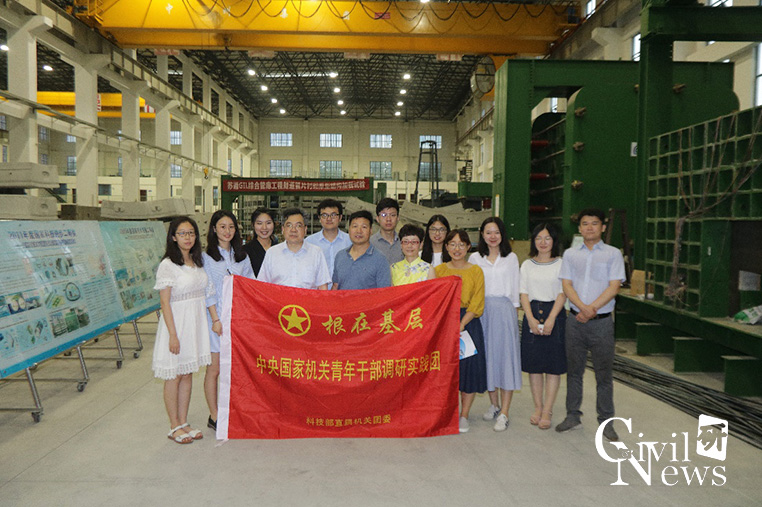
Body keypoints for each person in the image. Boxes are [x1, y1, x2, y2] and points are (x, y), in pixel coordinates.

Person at [555, 208, 625, 442]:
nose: (590, 228)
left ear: (603, 227)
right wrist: (582, 309)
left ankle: (606, 422)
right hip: (575, 322)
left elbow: (614, 287)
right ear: (579, 228)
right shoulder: (571, 254)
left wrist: (591, 309)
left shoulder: (613, 254)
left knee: (604, 375)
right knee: (574, 372)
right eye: (585, 224)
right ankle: (572, 415)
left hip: (601, 324)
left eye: (594, 223)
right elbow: (566, 285)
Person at [152, 216, 219, 444]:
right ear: (173, 237)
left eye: (191, 233)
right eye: (182, 233)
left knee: (188, 372)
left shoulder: (197, 262)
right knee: (175, 374)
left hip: (195, 324)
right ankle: (174, 426)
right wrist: (173, 334)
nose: (188, 237)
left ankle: (183, 422)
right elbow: (164, 302)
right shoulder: (168, 265)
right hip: (177, 325)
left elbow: (207, 293)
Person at [202, 210, 255, 432]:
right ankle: (214, 414)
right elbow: (207, 290)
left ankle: (233, 409)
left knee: (235, 368)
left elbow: (252, 285)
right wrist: (216, 319)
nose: (227, 231)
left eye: (231, 227)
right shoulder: (206, 257)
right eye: (222, 227)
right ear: (214, 229)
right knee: (214, 369)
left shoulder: (241, 256)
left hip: (238, 320)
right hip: (216, 320)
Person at [469, 217, 521, 432]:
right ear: (482, 234)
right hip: (482, 312)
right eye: (488, 232)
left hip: (505, 311)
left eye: (496, 232)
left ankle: (505, 412)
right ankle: (495, 405)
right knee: (488, 358)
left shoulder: (511, 258)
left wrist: (515, 317)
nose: (492, 236)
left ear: (502, 234)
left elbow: (515, 289)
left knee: (506, 359)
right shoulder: (474, 258)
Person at [435, 230, 487, 434]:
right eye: (452, 244)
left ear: (468, 247)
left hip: (469, 323)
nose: (457, 249)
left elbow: (477, 302)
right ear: (446, 247)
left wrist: (462, 323)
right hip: (444, 322)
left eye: (461, 244)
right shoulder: (438, 270)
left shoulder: (475, 271)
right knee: (445, 370)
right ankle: (447, 412)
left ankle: (464, 414)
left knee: (468, 370)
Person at [520, 223, 566, 430]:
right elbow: (523, 292)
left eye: (547, 238)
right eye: (538, 238)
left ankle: (548, 410)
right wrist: (529, 318)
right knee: (535, 365)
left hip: (555, 314)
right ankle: (538, 407)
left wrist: (551, 318)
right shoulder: (527, 265)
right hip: (532, 312)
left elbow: (563, 293)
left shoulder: (561, 264)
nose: (543, 242)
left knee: (553, 366)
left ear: (554, 241)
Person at [258, 208, 330, 290]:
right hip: (279, 298)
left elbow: (322, 286)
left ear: (305, 229)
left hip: (307, 298)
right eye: (289, 225)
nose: (293, 230)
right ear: (283, 229)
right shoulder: (272, 253)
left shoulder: (316, 252)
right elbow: (262, 285)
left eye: (298, 226)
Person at [332, 210, 391, 290]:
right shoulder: (340, 256)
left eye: (364, 227)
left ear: (371, 230)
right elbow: (335, 286)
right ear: (349, 229)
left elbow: (384, 292)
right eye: (355, 226)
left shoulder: (380, 259)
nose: (359, 231)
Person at [305, 198, 352, 288]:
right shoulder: (309, 242)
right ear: (319, 218)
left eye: (333, 215)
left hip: (344, 292)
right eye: (324, 215)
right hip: (317, 292)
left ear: (340, 218)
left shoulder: (350, 241)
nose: (329, 219)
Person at [243, 208, 278, 277]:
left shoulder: (280, 250)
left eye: (268, 223)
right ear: (253, 225)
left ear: (274, 224)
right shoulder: (245, 251)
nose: (264, 227)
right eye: (259, 223)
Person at [370, 197, 404, 265]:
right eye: (384, 215)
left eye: (392, 215)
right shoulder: (370, 244)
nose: (388, 219)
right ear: (377, 219)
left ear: (398, 218)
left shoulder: (404, 242)